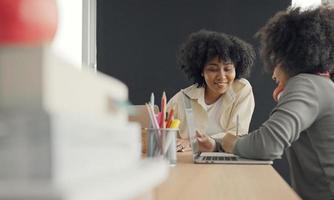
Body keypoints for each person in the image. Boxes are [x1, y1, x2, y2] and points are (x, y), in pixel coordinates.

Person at [196, 6, 334, 200]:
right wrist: (217, 144)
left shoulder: (306, 84)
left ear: (289, 58)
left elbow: (267, 145)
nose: (272, 73)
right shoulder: (321, 84)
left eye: (275, 61)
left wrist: (228, 141)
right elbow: (265, 138)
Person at [167, 30, 256, 151]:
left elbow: (237, 134)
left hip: (228, 164)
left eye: (228, 69)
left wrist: (192, 142)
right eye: (213, 69)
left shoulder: (242, 89)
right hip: (189, 165)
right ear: (201, 72)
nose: (222, 76)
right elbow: (163, 138)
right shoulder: (180, 100)